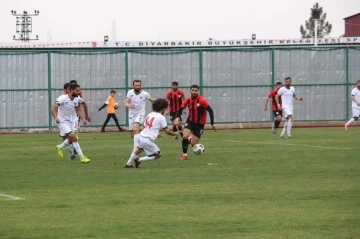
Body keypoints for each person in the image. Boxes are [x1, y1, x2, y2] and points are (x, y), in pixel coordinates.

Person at [124, 99, 180, 168]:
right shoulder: (161, 117)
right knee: (157, 155)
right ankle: (139, 160)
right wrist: (175, 134)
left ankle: (128, 164)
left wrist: (156, 133)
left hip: (141, 136)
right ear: (163, 109)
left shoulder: (150, 114)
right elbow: (167, 131)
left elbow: (146, 126)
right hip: (146, 139)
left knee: (138, 150)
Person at [174, 84, 217, 161]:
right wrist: (177, 117)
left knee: (193, 144)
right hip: (190, 121)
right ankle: (185, 155)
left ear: (198, 91)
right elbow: (180, 109)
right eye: (193, 90)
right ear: (190, 90)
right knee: (184, 136)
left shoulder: (202, 100)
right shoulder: (188, 100)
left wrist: (212, 123)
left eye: (196, 91)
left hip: (200, 124)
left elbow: (210, 111)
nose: (194, 92)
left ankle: (190, 138)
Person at [51, 84, 91, 163]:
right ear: (71, 90)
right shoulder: (62, 98)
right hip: (62, 122)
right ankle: (82, 158)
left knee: (71, 139)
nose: (79, 92)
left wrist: (85, 117)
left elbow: (84, 105)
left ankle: (59, 147)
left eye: (79, 90)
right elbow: (53, 108)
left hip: (73, 121)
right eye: (77, 90)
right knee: (74, 137)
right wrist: (56, 117)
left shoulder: (77, 99)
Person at [124, 80, 156, 152]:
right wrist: (129, 105)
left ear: (141, 86)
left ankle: (135, 148)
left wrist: (160, 103)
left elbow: (152, 100)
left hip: (140, 114)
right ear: (133, 86)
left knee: (136, 129)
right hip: (132, 115)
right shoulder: (130, 92)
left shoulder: (145, 94)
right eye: (136, 85)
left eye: (139, 85)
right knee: (133, 134)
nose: (137, 87)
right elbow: (125, 102)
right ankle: (143, 144)